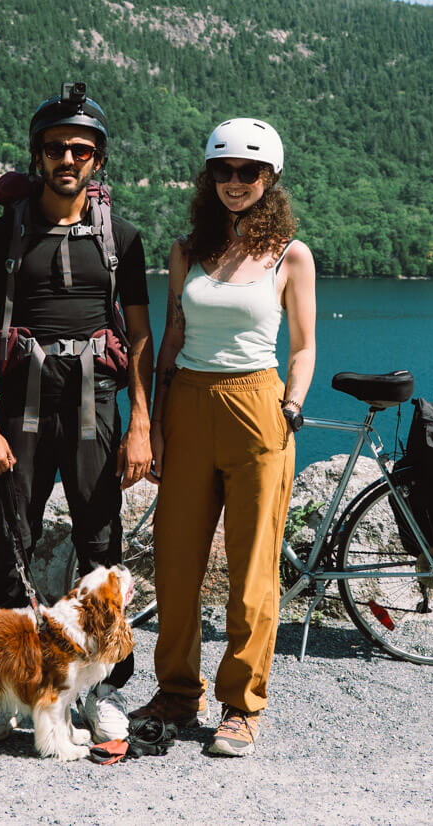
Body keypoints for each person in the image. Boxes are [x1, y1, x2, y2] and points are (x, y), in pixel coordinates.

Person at [0, 82, 155, 743]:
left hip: (96, 409)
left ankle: (106, 693)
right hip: (20, 410)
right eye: (55, 148)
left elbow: (140, 338)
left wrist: (143, 426)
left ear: (97, 160)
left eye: (80, 149)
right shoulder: (4, 236)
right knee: (10, 547)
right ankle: (0, 690)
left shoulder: (121, 240)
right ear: (37, 156)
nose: (67, 159)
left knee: (103, 554)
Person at [130, 117, 316, 758]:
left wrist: (290, 407)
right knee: (175, 563)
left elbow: (303, 346)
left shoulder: (291, 255)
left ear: (270, 179)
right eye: (223, 170)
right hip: (187, 401)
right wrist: (150, 423)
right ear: (209, 178)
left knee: (253, 568)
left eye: (249, 171)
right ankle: (178, 692)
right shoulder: (187, 251)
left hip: (257, 405)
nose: (235, 182)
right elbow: (171, 339)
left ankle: (241, 706)